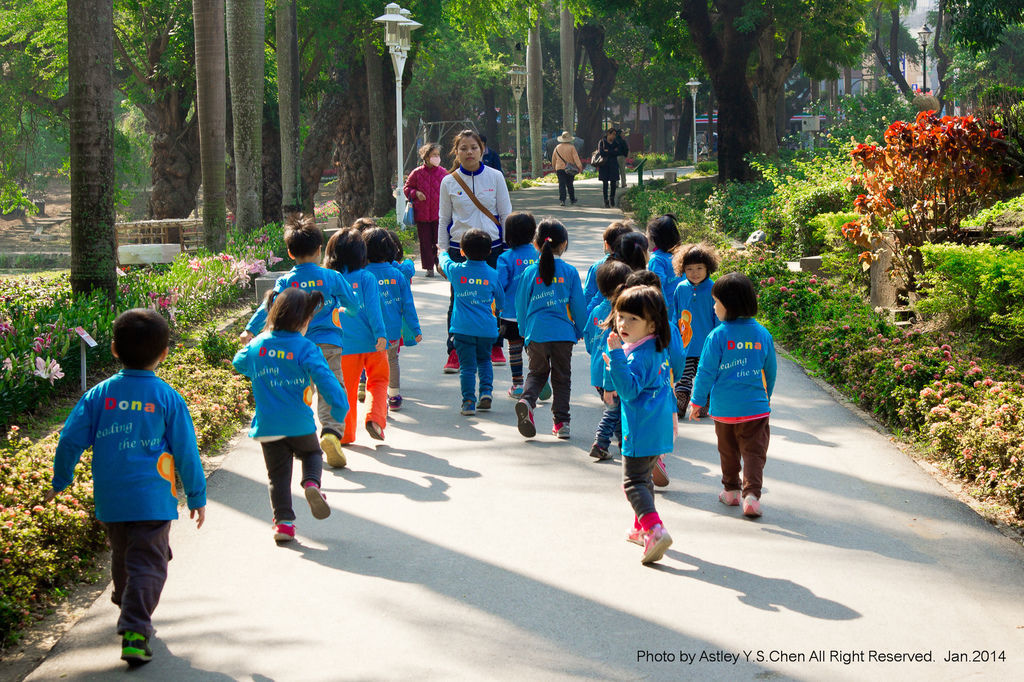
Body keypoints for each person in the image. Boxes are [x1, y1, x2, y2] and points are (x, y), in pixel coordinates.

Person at [45, 309, 206, 666]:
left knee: (123, 553)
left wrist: (61, 479)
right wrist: (197, 495)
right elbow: (186, 451)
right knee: (150, 562)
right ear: (164, 353)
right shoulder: (167, 397)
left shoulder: (98, 395)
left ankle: (126, 600)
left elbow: (69, 439)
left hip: (112, 498)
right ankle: (134, 628)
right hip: (153, 499)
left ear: (115, 349)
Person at [241, 215, 361, 469]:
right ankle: (331, 432)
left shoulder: (286, 281)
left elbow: (267, 306)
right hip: (329, 344)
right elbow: (352, 304)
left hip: (296, 347)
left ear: (290, 252)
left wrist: (249, 329)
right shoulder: (332, 277)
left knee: (299, 388)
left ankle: (299, 435)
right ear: (319, 249)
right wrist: (346, 310)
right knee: (331, 387)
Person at [233, 288, 349, 542]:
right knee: (311, 454)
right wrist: (339, 408)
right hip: (299, 423)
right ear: (304, 321)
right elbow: (327, 380)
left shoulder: (258, 344)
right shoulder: (306, 347)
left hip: (268, 425)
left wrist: (261, 355)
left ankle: (284, 525)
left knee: (277, 476)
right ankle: (311, 484)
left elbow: (238, 362)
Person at [689, 272, 777, 519]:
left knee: (728, 451)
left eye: (716, 302)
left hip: (724, 410)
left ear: (729, 305)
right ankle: (752, 496)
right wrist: (766, 395)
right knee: (754, 453)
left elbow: (705, 372)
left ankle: (731, 491)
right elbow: (770, 370)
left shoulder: (717, 336)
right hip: (755, 409)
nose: (714, 307)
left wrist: (697, 401)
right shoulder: (762, 334)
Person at [603, 285, 675, 564]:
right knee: (644, 480)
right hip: (657, 429)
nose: (623, 324)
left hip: (641, 429)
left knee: (632, 483)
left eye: (633, 319)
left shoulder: (637, 355)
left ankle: (655, 529)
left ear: (652, 324)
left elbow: (629, 390)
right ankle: (640, 529)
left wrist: (616, 358)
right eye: (621, 316)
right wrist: (619, 361)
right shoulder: (655, 348)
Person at [438, 129, 513, 373]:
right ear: (456, 152)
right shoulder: (448, 181)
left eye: (474, 147)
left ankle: (495, 346)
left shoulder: (495, 177)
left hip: (493, 248)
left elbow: (506, 213)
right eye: (463, 148)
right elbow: (444, 219)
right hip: (459, 250)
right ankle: (454, 351)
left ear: (482, 150)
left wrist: (508, 248)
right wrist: (441, 252)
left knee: (493, 297)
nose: (469, 152)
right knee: (458, 299)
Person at [513, 219, 586, 439]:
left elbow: (520, 305)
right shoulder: (570, 272)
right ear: (564, 244)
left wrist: (524, 331)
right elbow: (578, 305)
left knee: (537, 373)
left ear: (536, 244)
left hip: (536, 333)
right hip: (563, 334)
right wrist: (580, 330)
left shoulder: (529, 272)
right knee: (562, 378)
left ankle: (527, 401)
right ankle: (562, 423)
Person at [324, 228, 389, 448]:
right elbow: (373, 309)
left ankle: (345, 434)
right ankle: (375, 419)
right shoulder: (366, 277)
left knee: (347, 389)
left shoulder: (330, 279)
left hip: (343, 345)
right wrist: (381, 334)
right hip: (372, 342)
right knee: (379, 380)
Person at [437, 229, 505, 415]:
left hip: (462, 329)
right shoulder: (493, 274)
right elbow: (501, 300)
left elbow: (445, 262)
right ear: (489, 251)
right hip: (486, 329)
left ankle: (468, 402)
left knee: (467, 367)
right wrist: (498, 310)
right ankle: (486, 392)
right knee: (484, 360)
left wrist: (442, 252)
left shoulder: (456, 271)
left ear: (462, 251)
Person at [365, 228, 422, 411]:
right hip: (392, 330)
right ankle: (394, 395)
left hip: (369, 331)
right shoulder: (397, 275)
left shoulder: (363, 274)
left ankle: (377, 398)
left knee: (372, 364)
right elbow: (408, 305)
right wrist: (415, 329)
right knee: (392, 361)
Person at [584, 259, 632, 460]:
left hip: (597, 371)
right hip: (612, 371)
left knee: (616, 409)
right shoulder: (621, 314)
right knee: (614, 411)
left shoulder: (596, 311)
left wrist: (594, 354)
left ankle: (623, 443)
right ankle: (601, 442)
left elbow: (588, 337)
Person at [671, 243, 720, 417]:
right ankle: (680, 404)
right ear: (682, 269)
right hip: (686, 345)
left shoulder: (713, 289)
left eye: (699, 268)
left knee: (704, 378)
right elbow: (675, 315)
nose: (695, 273)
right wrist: (673, 338)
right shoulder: (681, 288)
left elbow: (718, 319)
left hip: (707, 346)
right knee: (683, 378)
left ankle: (702, 404)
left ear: (708, 267)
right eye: (689, 269)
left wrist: (718, 343)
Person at [495, 212, 538, 398]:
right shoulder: (539, 254)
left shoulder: (505, 258)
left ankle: (518, 385)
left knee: (514, 349)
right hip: (537, 311)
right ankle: (538, 380)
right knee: (535, 349)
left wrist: (496, 307)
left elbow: (500, 286)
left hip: (511, 313)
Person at [404, 143, 447, 277]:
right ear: (426, 157)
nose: (437, 157)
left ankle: (440, 265)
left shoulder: (443, 173)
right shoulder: (417, 173)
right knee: (425, 243)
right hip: (422, 215)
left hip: (439, 214)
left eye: (438, 155)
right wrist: (416, 193)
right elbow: (407, 188)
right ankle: (429, 267)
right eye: (434, 155)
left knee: (439, 242)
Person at [583, 220, 636, 309]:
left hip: (600, 314)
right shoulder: (635, 265)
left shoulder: (597, 266)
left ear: (606, 244)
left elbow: (588, 295)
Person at [646, 214, 682, 298]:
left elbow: (657, 287)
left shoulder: (657, 259)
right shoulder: (679, 253)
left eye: (646, 235)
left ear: (653, 238)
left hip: (667, 305)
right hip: (683, 302)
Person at [551, 130, 583, 206]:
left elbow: (553, 159)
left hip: (559, 168)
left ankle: (562, 200)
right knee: (570, 184)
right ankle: (572, 199)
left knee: (561, 185)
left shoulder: (557, 147)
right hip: (569, 169)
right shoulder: (572, 147)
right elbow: (576, 158)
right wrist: (580, 167)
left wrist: (554, 167)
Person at [596, 127, 622, 208]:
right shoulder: (602, 142)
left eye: (615, 135)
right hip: (604, 165)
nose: (614, 136)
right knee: (605, 183)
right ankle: (606, 200)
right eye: (613, 134)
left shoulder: (616, 143)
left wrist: (608, 151)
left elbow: (618, 152)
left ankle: (612, 197)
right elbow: (601, 152)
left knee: (613, 183)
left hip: (613, 165)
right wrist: (612, 151)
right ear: (608, 134)